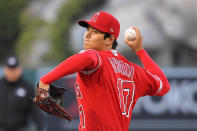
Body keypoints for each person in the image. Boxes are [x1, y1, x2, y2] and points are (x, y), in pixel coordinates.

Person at [37, 11, 170, 131]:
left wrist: (45, 80)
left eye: (95, 32)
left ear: (110, 39)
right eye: (87, 29)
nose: (87, 34)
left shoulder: (97, 58)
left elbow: (87, 57)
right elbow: (163, 86)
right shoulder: (135, 72)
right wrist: (140, 51)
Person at [0, 56, 44, 131]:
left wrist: (39, 127)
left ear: (19, 70)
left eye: (14, 69)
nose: (12, 72)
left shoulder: (27, 87)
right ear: (5, 70)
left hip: (21, 127)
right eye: (10, 69)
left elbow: (36, 112)